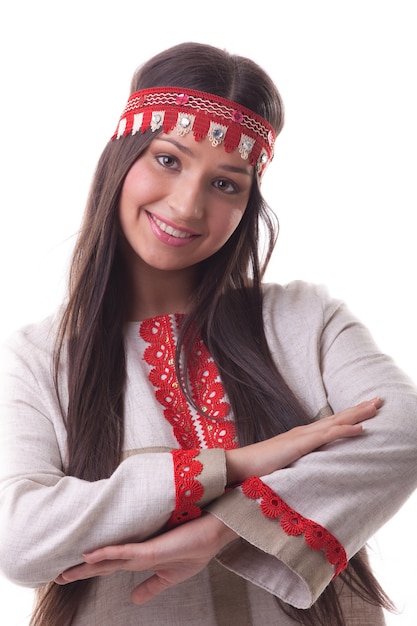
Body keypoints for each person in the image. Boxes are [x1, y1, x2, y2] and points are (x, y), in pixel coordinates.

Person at [0, 41, 416, 626]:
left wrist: (220, 530)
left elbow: (405, 430)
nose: (188, 204)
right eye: (168, 160)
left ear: (248, 204)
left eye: (226, 184)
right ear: (122, 158)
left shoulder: (302, 319)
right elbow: (21, 541)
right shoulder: (41, 358)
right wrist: (234, 465)